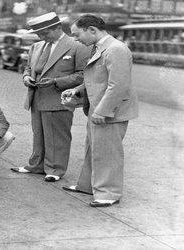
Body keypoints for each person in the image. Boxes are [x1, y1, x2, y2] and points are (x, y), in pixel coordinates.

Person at [61, 14, 139, 207]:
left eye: (77, 34)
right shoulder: (101, 48)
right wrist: (76, 90)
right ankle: (87, 186)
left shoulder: (116, 49)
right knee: (93, 149)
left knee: (108, 153)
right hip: (99, 108)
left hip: (110, 112)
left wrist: (102, 111)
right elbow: (97, 79)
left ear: (92, 30)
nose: (75, 39)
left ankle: (108, 194)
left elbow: (118, 85)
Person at [10, 12, 90, 182]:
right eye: (38, 34)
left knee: (57, 136)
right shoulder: (37, 46)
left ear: (58, 28)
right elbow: (27, 68)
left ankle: (55, 169)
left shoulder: (77, 46)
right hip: (36, 98)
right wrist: (26, 78)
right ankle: (36, 165)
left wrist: (56, 81)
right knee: (38, 133)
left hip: (58, 99)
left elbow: (84, 75)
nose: (41, 37)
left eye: (44, 33)